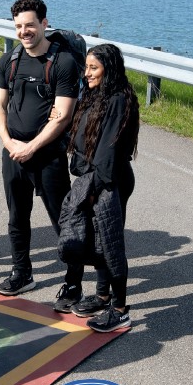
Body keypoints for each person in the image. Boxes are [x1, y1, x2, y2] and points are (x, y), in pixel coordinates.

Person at [0, 0, 81, 297]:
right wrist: (9, 144)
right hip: (13, 153)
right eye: (18, 26)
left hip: (47, 156)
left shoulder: (63, 63)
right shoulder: (8, 61)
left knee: (63, 222)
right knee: (17, 218)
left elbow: (63, 115)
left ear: (44, 23)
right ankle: (22, 273)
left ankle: (73, 282)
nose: (24, 31)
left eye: (30, 25)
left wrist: (31, 147)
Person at [58, 43, 140, 332]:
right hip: (93, 178)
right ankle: (103, 295)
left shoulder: (119, 99)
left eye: (94, 68)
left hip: (108, 180)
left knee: (111, 245)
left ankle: (119, 310)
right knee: (97, 241)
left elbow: (109, 149)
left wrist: (94, 188)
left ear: (110, 69)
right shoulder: (96, 95)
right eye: (87, 67)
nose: (87, 73)